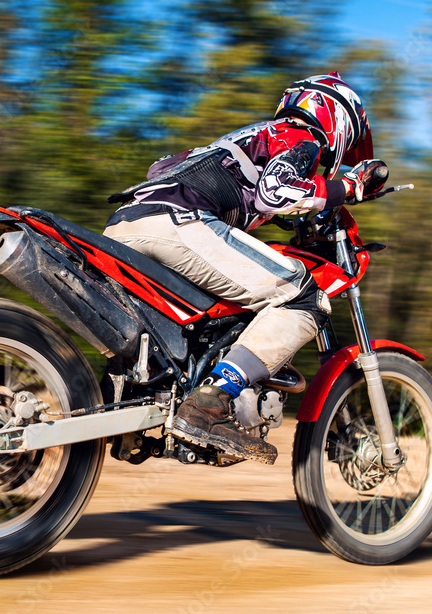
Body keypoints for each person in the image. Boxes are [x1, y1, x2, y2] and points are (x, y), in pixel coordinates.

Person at [103, 72, 387, 461]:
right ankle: (210, 403)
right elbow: (277, 191)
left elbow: (167, 169)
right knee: (304, 298)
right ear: (337, 120)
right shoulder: (298, 137)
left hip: (125, 223)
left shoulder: (243, 139)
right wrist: (348, 188)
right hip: (178, 223)